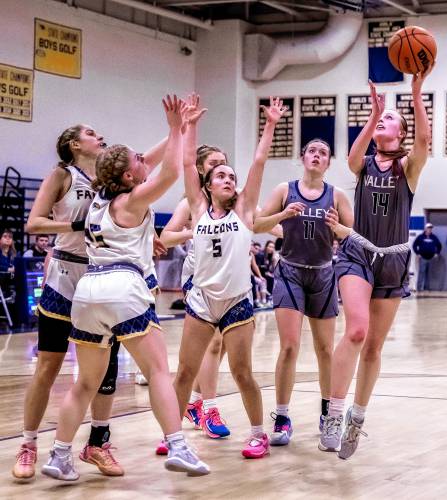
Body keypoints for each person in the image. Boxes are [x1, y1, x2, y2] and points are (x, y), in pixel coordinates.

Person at [41, 95, 209, 481]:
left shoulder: (99, 199)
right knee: (159, 371)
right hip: (123, 286)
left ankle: (60, 455)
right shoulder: (132, 200)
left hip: (87, 292)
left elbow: (150, 163)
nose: (142, 163)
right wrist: (173, 128)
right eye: (137, 163)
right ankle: (178, 446)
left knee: (85, 382)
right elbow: (166, 173)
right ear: (130, 177)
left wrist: (181, 127)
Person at [321, 68, 433, 459]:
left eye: (389, 120)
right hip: (357, 252)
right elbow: (352, 155)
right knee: (355, 332)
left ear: (399, 133)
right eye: (381, 121)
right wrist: (374, 113)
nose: (383, 122)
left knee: (373, 348)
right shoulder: (364, 164)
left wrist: (416, 94)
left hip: (393, 260)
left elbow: (423, 139)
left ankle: (357, 416)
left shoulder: (410, 169)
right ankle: (333, 413)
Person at [172, 94, 286, 459]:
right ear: (207, 185)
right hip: (202, 300)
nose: (227, 178)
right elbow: (189, 162)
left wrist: (269, 125)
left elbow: (259, 161)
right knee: (185, 372)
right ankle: (174, 436)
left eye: (231, 176)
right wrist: (190, 126)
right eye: (220, 174)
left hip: (237, 300)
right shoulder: (197, 208)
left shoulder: (245, 212)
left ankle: (257, 434)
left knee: (242, 372)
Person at [13, 124, 128, 481]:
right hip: (65, 276)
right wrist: (76, 225)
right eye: (92, 132)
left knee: (106, 369)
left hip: (102, 276)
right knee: (48, 366)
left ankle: (97, 443)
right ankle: (29, 444)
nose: (101, 136)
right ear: (75, 144)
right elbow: (34, 224)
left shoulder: (109, 179)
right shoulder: (62, 175)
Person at [254, 138, 353, 447]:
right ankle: (282, 417)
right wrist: (281, 216)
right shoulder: (285, 190)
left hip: (323, 274)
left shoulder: (337, 196)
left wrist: (338, 229)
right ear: (302, 157)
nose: (317, 155)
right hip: (290, 272)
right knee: (289, 347)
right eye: (312, 150)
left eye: (323, 153)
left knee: (326, 350)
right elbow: (257, 224)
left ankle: (328, 414)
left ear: (328, 163)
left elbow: (352, 237)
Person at [159, 144, 232, 445]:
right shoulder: (192, 202)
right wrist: (193, 232)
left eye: (224, 162)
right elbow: (165, 237)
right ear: (201, 169)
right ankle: (210, 411)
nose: (221, 167)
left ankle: (197, 403)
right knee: (212, 344)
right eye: (215, 163)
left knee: (221, 344)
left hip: (229, 277)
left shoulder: (233, 200)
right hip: (200, 276)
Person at [413, 222, 442, 293]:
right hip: (423, 257)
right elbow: (414, 245)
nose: (430, 229)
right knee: (421, 273)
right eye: (428, 228)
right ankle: (419, 288)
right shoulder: (420, 237)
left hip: (431, 258)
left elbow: (439, 246)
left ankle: (427, 288)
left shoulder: (434, 237)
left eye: (431, 228)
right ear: (425, 229)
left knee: (428, 273)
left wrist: (437, 253)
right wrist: (417, 253)